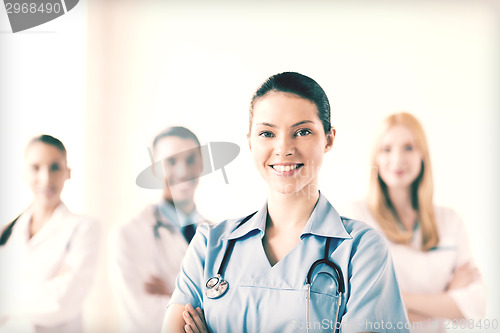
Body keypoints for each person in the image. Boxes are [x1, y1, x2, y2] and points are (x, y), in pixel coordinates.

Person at [162, 72, 409, 333]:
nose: (284, 148)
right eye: (267, 133)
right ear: (249, 141)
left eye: (302, 132)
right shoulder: (209, 245)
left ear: (329, 139)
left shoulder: (361, 250)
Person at [344, 112, 487, 332]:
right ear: (376, 159)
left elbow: (476, 304)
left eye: (409, 147)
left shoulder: (450, 220)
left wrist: (395, 300)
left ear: (423, 155)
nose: (398, 159)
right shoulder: (358, 217)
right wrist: (446, 298)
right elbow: (364, 311)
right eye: (387, 149)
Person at [109, 126, 210, 333]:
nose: (183, 171)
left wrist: (172, 295)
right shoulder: (129, 234)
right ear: (154, 169)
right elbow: (145, 317)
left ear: (201, 165)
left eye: (190, 160)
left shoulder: (217, 235)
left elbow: (231, 311)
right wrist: (205, 306)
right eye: (171, 162)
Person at [0, 135, 100, 333]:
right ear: (24, 173)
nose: (46, 178)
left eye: (55, 167)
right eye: (36, 167)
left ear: (68, 172)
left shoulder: (84, 229)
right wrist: (43, 289)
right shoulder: (7, 233)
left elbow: (61, 303)